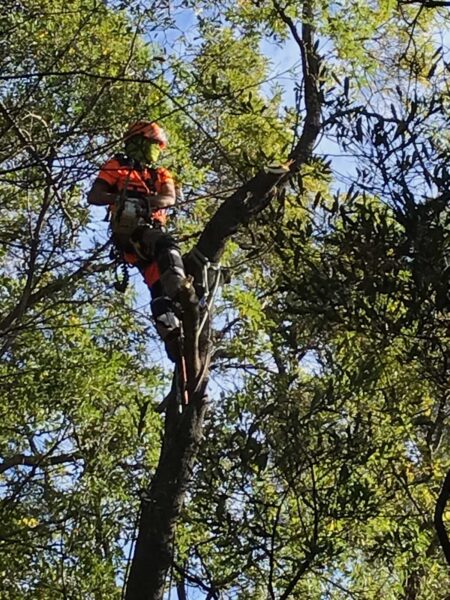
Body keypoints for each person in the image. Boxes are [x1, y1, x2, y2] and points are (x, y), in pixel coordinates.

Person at [87, 120, 187, 360]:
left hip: (151, 233)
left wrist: (144, 203)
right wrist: (120, 199)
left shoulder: (161, 174)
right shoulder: (116, 166)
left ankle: (173, 338)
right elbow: (95, 195)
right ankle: (179, 285)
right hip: (132, 234)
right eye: (153, 144)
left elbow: (169, 198)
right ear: (140, 142)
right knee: (167, 245)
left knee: (158, 288)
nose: (156, 149)